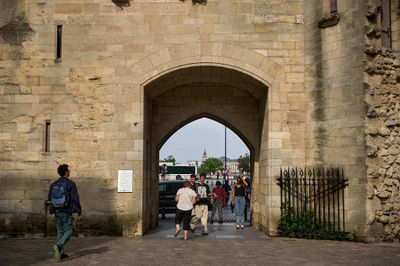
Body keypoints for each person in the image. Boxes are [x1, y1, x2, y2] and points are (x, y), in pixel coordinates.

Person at [48, 164, 82, 261]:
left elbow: (50, 198)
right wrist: (79, 212)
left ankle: (60, 254)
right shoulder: (71, 184)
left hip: (56, 211)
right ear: (66, 172)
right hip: (66, 211)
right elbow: (75, 199)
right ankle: (58, 245)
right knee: (69, 230)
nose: (69, 172)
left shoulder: (54, 184)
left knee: (60, 231)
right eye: (69, 170)